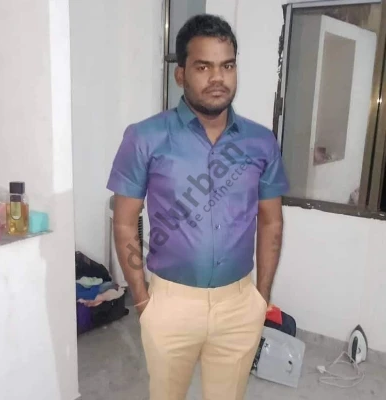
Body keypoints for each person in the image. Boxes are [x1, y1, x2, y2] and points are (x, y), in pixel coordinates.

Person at [107, 13, 289, 400]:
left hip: (239, 304)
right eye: (203, 67)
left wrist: (261, 297)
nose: (217, 78)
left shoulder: (261, 142)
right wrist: (142, 298)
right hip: (169, 303)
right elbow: (124, 222)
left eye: (227, 66)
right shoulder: (145, 138)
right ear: (181, 75)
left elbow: (272, 222)